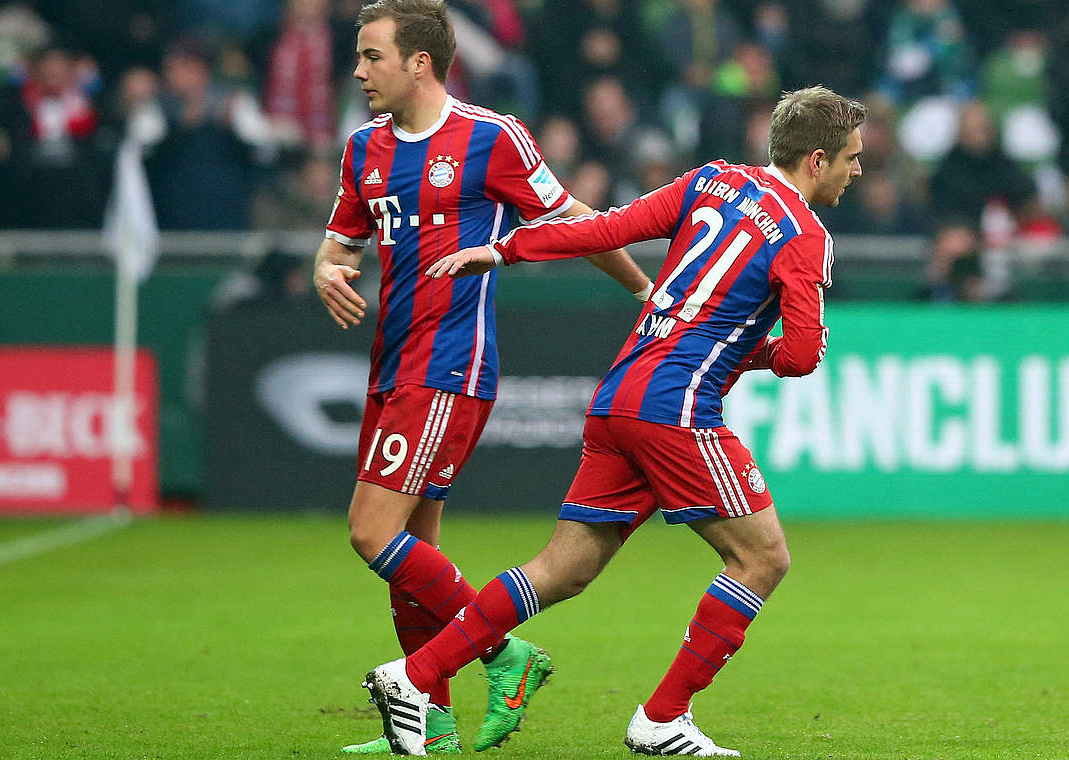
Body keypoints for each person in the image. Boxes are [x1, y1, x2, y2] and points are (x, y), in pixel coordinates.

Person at [362, 85, 865, 756]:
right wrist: (759, 351)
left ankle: (415, 674)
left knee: (562, 569)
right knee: (762, 557)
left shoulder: (712, 179)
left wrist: (504, 250)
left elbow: (605, 228)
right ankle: (662, 718)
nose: (857, 172)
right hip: (676, 407)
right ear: (818, 159)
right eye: (852, 159)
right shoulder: (805, 236)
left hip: (619, 393)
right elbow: (802, 357)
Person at [311, 0, 651, 754]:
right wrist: (326, 271)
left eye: (372, 56)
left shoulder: (489, 138)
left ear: (420, 62)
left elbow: (573, 222)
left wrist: (640, 290)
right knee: (411, 556)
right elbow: (338, 245)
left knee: (371, 533)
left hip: (448, 367)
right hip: (390, 366)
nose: (360, 71)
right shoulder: (363, 147)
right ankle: (430, 722)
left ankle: (505, 655)